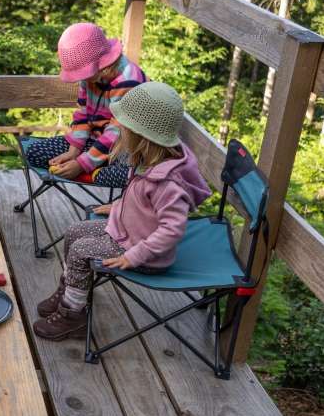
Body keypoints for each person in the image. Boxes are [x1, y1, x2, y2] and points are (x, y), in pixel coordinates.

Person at [32, 82, 211, 341]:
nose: (119, 132)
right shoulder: (146, 161)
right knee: (74, 232)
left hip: (142, 253)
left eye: (123, 128)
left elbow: (172, 229)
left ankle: (74, 316)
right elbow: (145, 205)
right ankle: (70, 291)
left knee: (82, 250)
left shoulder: (168, 183)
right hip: (126, 231)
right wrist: (119, 206)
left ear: (142, 136)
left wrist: (135, 255)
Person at [24, 22, 146, 188]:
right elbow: (83, 114)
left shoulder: (128, 80)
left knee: (125, 175)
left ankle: (94, 172)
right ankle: (91, 171)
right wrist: (73, 151)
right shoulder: (90, 78)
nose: (81, 79)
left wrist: (82, 164)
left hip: (125, 147)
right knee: (34, 153)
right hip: (95, 141)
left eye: (83, 74)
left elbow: (116, 133)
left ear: (101, 65)